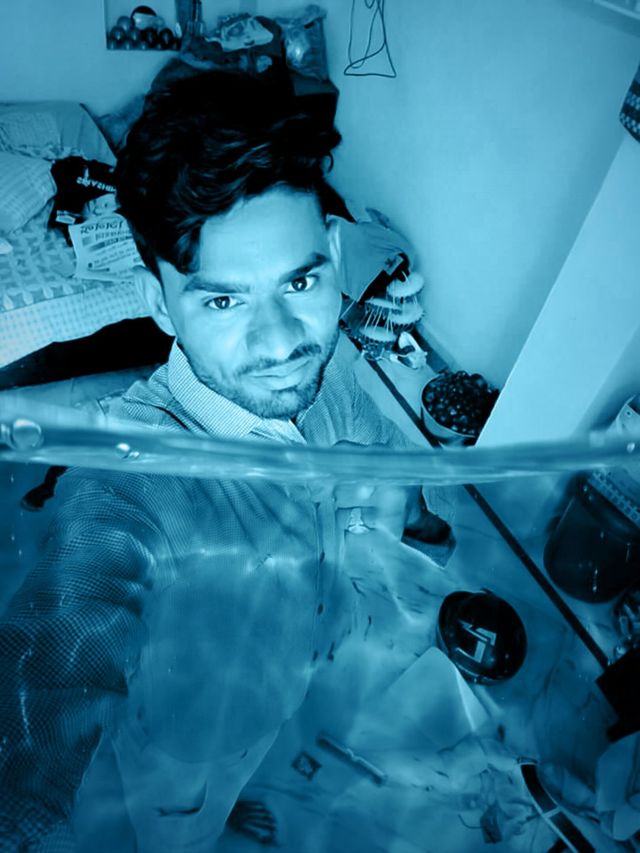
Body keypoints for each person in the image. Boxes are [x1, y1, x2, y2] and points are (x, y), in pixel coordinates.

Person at [0, 69, 448, 853]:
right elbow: (49, 690)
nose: (281, 344)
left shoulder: (333, 371)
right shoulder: (128, 487)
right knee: (182, 819)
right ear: (159, 303)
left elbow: (385, 463)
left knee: (242, 764)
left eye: (299, 281)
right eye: (222, 300)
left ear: (332, 257)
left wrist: (403, 514)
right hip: (183, 745)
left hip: (275, 690)